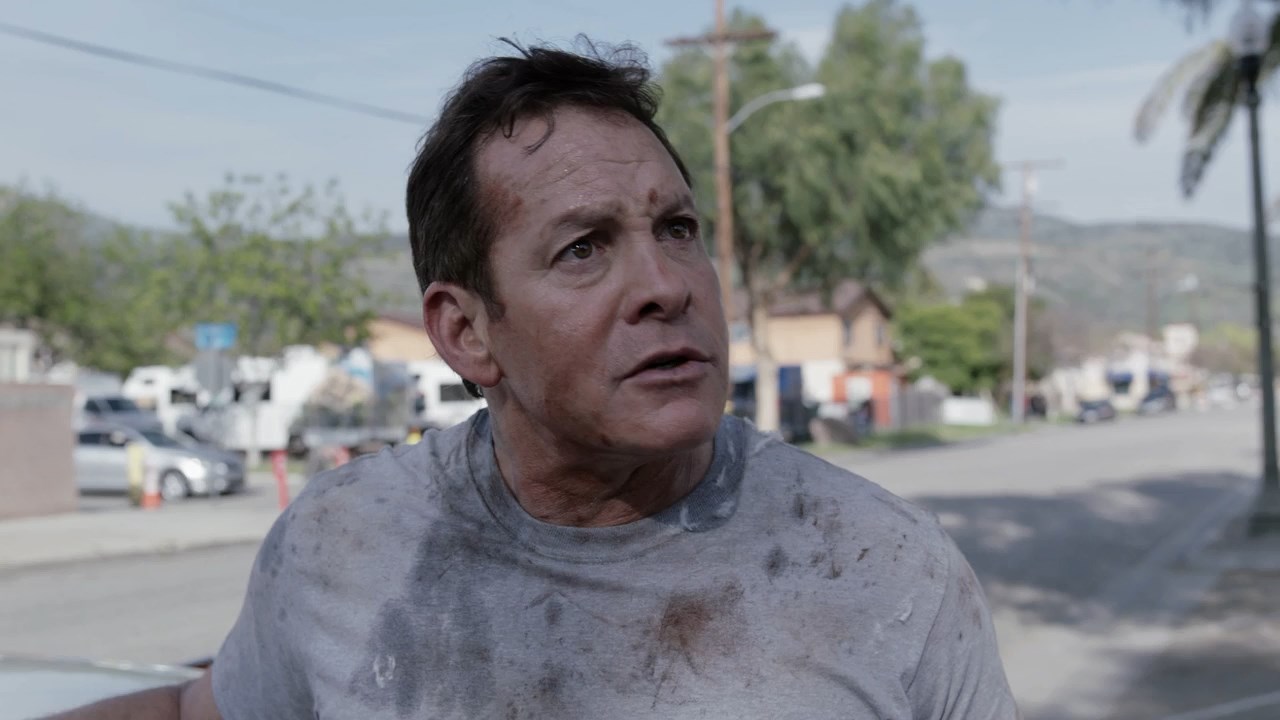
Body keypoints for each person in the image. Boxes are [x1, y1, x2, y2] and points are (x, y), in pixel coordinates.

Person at [49, 39, 1018, 719]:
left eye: (677, 228)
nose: (666, 286)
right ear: (465, 333)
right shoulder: (343, 545)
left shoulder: (883, 569)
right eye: (583, 247)